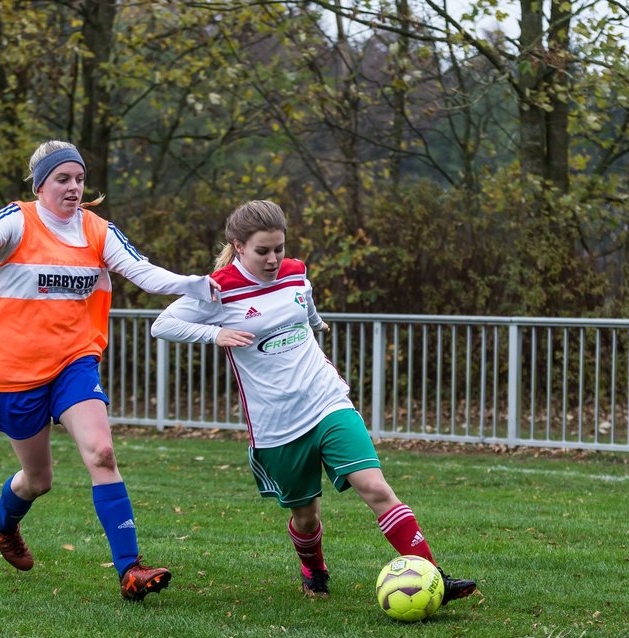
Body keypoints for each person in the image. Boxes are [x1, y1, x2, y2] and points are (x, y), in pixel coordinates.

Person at [0, 139, 215, 601]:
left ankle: (130, 569)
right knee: (38, 480)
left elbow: (142, 272)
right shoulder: (16, 220)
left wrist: (194, 285)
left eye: (79, 178)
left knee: (102, 452)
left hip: (75, 361)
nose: (74, 187)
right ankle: (3, 522)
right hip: (14, 371)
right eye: (63, 178)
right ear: (41, 185)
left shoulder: (98, 231)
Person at [150, 200, 478, 604]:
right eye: (262, 251)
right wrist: (213, 335)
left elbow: (303, 302)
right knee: (306, 516)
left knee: (376, 488)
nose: (274, 260)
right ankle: (314, 570)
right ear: (237, 246)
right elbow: (161, 324)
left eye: (279, 249)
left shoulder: (295, 272)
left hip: (326, 400)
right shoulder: (218, 289)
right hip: (276, 425)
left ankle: (435, 579)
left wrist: (314, 322)